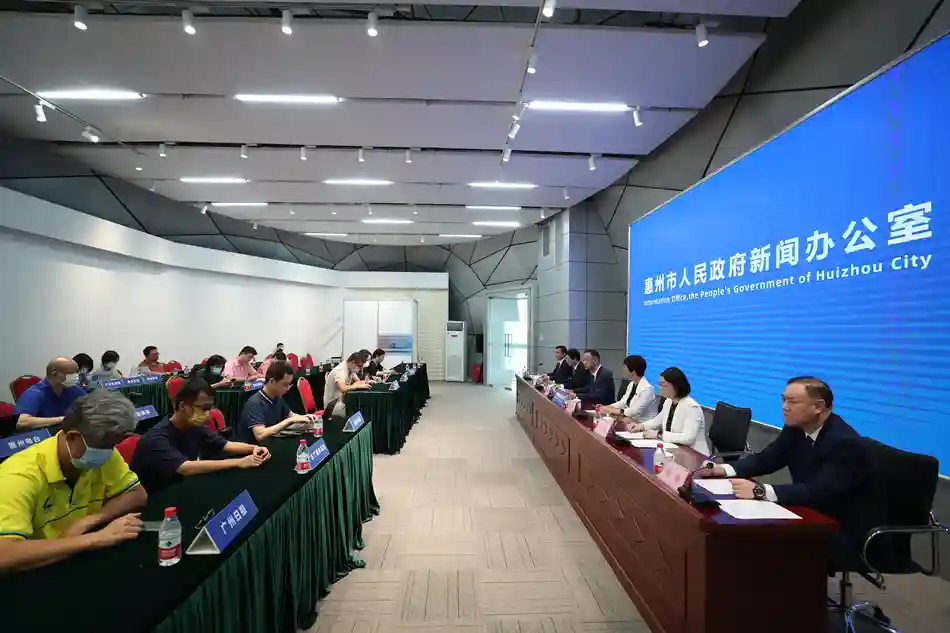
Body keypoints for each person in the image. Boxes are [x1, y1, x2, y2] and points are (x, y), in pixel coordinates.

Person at [0, 389, 147, 573]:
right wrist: (96, 538)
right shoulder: (18, 476)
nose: (110, 452)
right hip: (37, 571)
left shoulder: (104, 453)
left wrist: (88, 521)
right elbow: (4, 554)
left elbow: (136, 494)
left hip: (77, 559)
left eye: (113, 445)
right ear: (72, 437)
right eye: (105, 445)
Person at [699, 377, 870, 509]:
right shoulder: (795, 429)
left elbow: (821, 491)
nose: (784, 407)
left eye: (792, 402)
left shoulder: (844, 442)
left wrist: (761, 491)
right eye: (783, 400)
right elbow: (766, 459)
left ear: (818, 407)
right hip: (805, 508)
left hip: (836, 522)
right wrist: (723, 469)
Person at [131, 379, 271, 492]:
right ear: (183, 406)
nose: (208, 414)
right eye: (204, 408)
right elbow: (185, 468)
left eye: (210, 408)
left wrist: (253, 448)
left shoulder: (194, 427)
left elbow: (225, 444)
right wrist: (239, 462)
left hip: (181, 489)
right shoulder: (156, 438)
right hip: (155, 499)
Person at [632, 367, 708, 455]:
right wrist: (641, 426)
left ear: (676, 386)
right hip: (673, 449)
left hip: (694, 455)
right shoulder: (668, 402)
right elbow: (657, 421)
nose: (660, 388)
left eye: (664, 385)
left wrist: (659, 434)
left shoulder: (692, 407)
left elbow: (687, 438)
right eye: (660, 384)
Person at [235, 361, 317, 442]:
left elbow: (291, 415)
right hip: (254, 447)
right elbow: (260, 435)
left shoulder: (277, 397)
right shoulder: (255, 403)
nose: (287, 388)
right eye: (285, 384)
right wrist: (289, 421)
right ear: (272, 381)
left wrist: (305, 417)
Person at [15, 357, 87, 430]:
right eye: (71, 373)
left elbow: (89, 404)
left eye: (76, 372)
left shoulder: (73, 389)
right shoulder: (35, 393)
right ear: (55, 374)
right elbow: (20, 422)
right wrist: (63, 419)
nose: (76, 376)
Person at [600, 355, 657, 423]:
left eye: (625, 367)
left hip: (643, 423)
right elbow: (623, 402)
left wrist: (611, 410)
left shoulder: (647, 389)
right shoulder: (631, 384)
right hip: (631, 421)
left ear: (633, 371)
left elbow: (634, 411)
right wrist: (607, 407)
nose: (623, 369)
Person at [324, 353, 371, 419]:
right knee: (360, 410)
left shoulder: (350, 368)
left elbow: (358, 381)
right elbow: (343, 388)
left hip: (342, 402)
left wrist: (367, 382)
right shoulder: (340, 370)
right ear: (353, 362)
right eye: (359, 366)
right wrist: (355, 385)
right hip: (333, 407)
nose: (360, 369)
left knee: (363, 406)